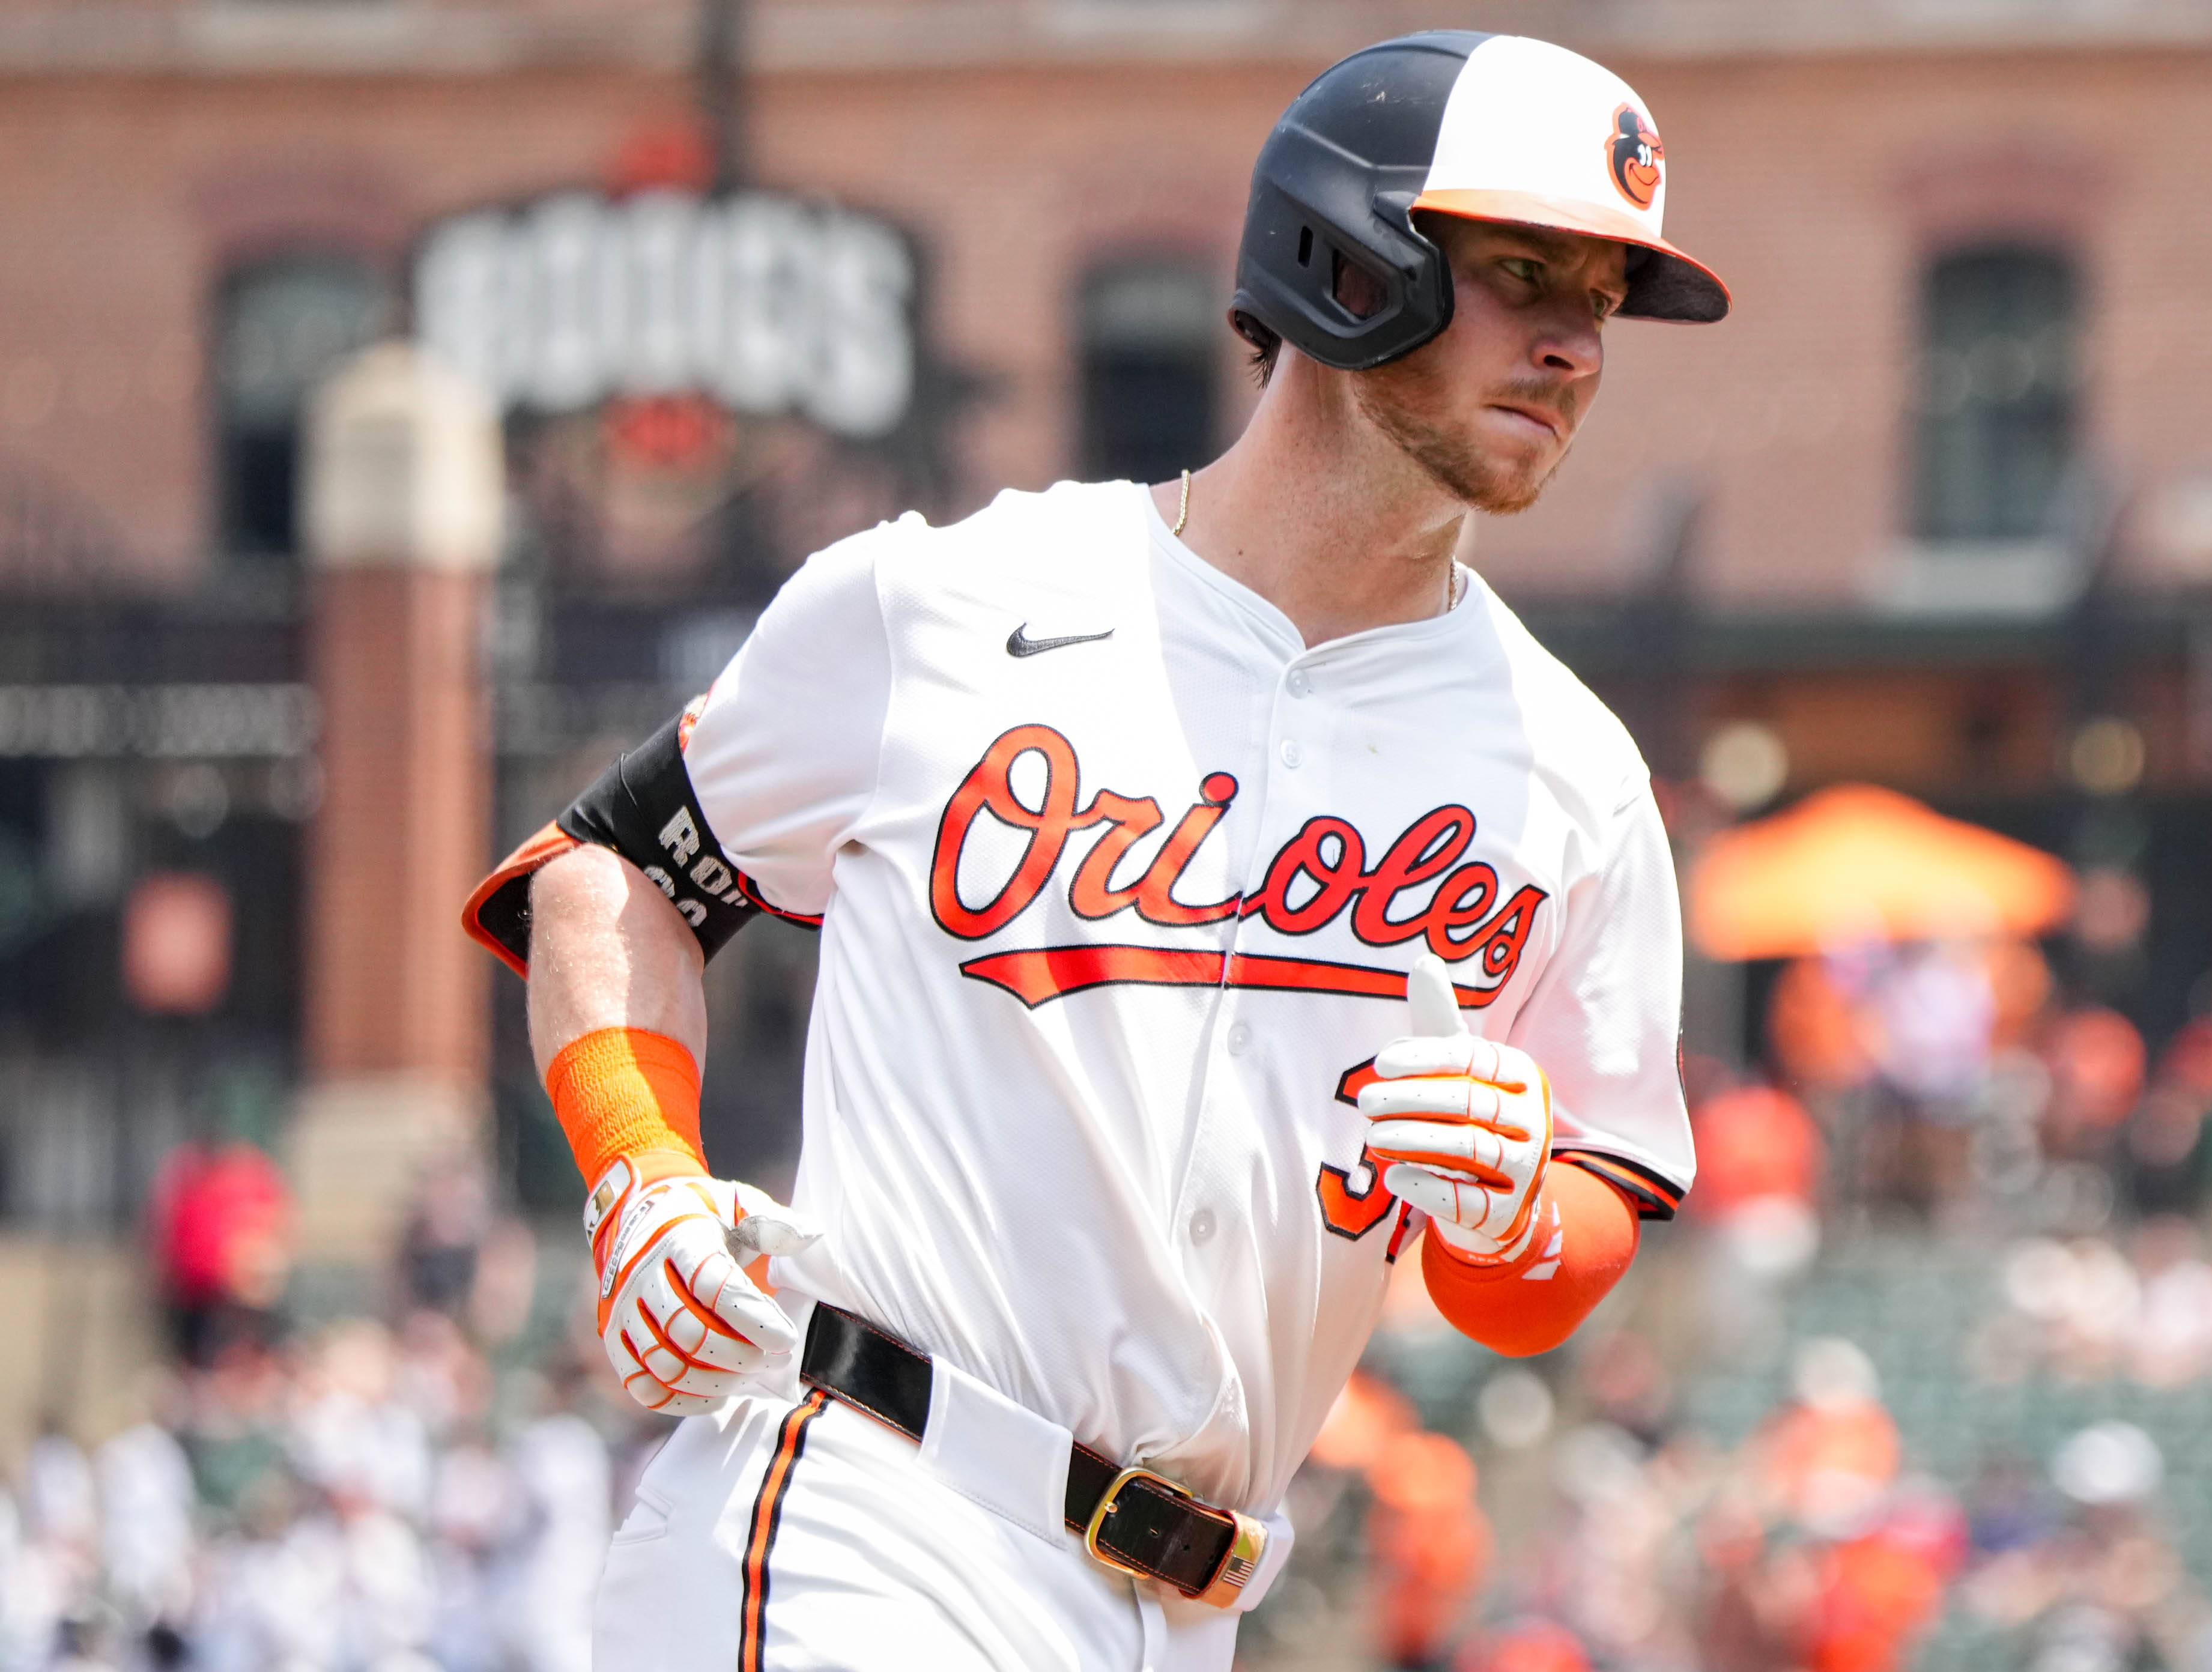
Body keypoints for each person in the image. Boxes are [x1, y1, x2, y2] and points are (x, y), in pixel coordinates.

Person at [462, 28, 1718, 1671]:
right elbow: (607, 874)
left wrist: (1515, 1221)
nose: (1572, 343)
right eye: (1524, 272)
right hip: (870, 1514)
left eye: (1604, 300)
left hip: (1182, 1610)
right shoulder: (954, 605)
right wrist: (641, 1175)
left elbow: (1570, 1241)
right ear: (1352, 262)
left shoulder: (1572, 770)